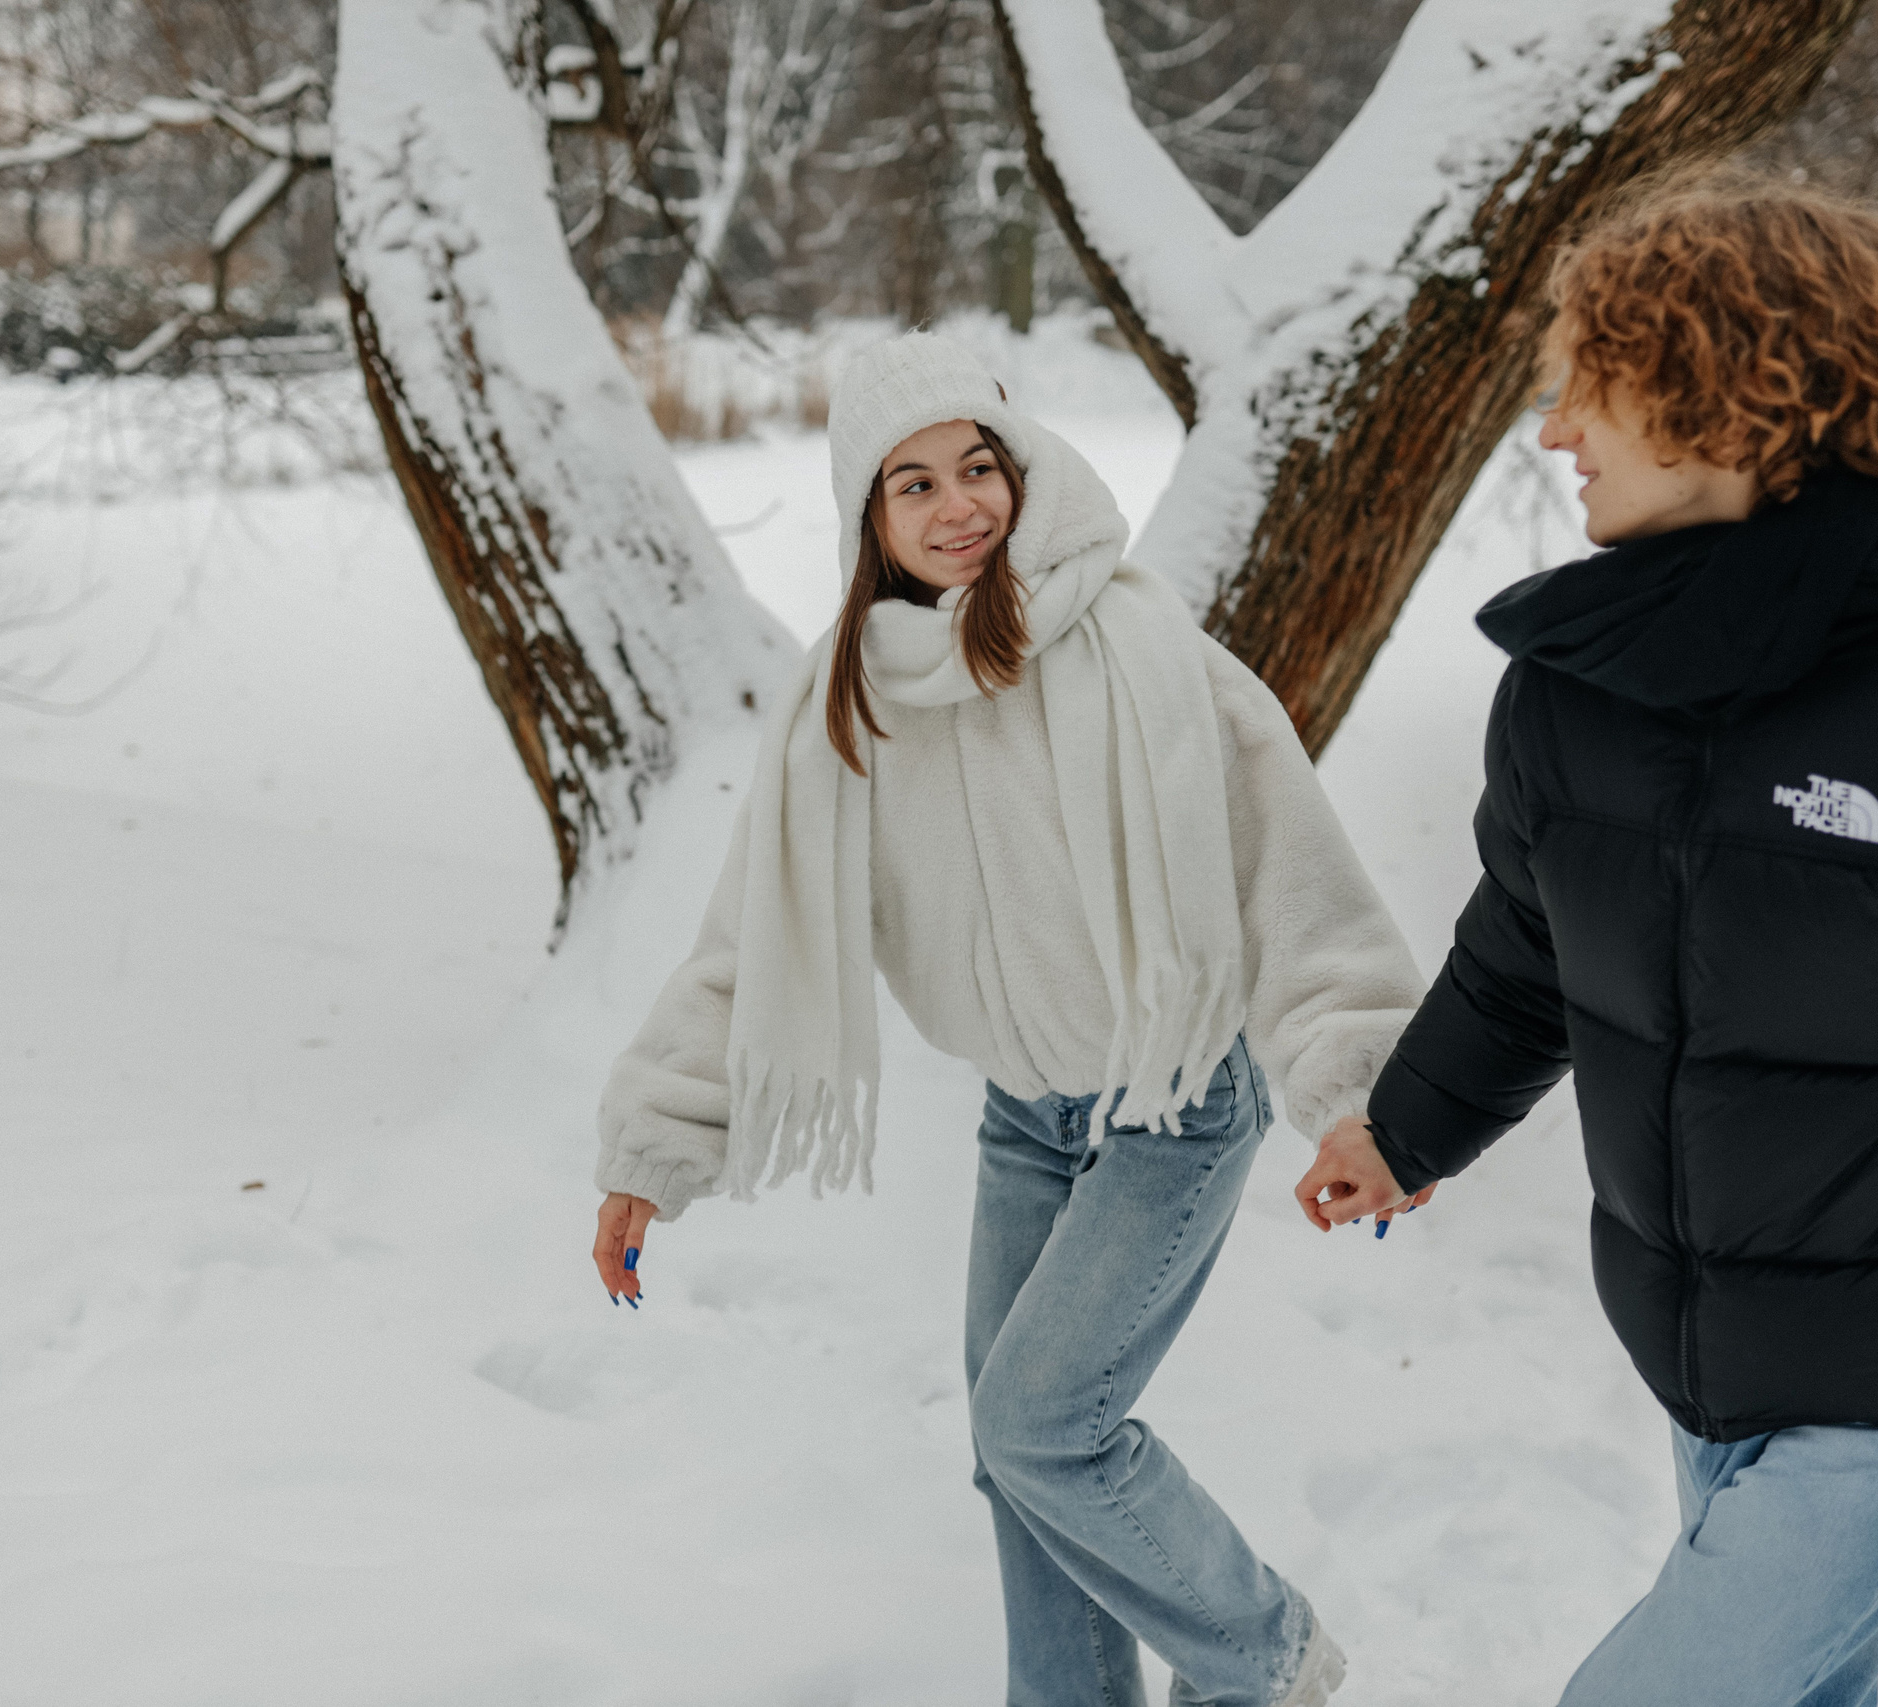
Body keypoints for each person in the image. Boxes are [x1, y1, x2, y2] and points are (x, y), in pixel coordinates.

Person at [1296, 171, 1878, 1703]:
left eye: (1595, 386)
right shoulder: (1576, 690)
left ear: (1734, 396)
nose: (1556, 430)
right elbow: (1527, 952)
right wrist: (1406, 1128)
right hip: (1713, 1356)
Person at [588, 333, 1423, 1707]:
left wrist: (1358, 1093)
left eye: (980, 465)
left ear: (1027, 469)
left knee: (1043, 1427)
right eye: (912, 484)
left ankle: (1261, 1664)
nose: (959, 503)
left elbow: (1292, 878)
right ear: (870, 519)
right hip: (1024, 1121)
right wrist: (657, 1144)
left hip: (1173, 1103)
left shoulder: (1146, 650)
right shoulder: (848, 705)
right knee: (1014, 1453)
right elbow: (755, 937)